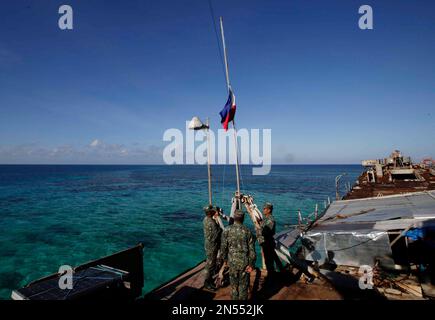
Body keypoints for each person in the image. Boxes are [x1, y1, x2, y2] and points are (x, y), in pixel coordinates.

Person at [221, 210, 256, 300]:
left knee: (234, 287)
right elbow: (252, 251)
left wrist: (225, 260)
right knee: (243, 288)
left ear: (234, 217)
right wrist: (251, 264)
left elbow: (223, 248)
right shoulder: (248, 231)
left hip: (232, 263)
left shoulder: (227, 230)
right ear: (243, 218)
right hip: (245, 263)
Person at [259, 202, 283, 277]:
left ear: (269, 210)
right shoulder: (265, 219)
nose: (263, 210)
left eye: (264, 209)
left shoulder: (270, 220)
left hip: (268, 244)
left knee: (269, 263)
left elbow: (265, 232)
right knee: (267, 262)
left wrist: (258, 229)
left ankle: (271, 278)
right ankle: (271, 276)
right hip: (265, 243)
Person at [203, 205, 222, 291]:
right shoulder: (212, 223)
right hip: (212, 245)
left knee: (210, 262)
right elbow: (216, 235)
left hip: (208, 244)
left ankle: (209, 279)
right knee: (210, 264)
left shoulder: (205, 220)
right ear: (210, 212)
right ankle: (207, 282)